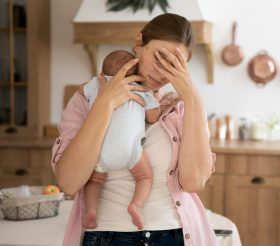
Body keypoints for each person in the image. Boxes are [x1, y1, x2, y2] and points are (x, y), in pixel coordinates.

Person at [51, 13, 218, 245]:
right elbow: (69, 182)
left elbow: (194, 181)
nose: (162, 73)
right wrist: (105, 104)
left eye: (175, 66)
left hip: (175, 235)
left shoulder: (180, 108)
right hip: (105, 236)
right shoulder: (86, 99)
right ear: (138, 43)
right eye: (159, 59)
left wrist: (192, 97)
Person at [79, 50, 160, 230]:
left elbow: (80, 91)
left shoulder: (96, 84)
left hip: (99, 148)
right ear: (136, 74)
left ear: (102, 73)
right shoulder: (141, 90)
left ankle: (90, 211)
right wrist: (154, 99)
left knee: (94, 180)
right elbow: (153, 117)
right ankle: (135, 205)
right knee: (144, 176)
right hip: (129, 149)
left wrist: (95, 83)